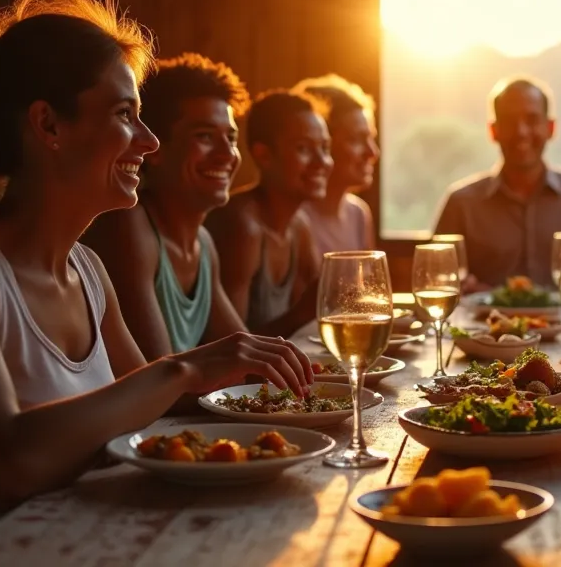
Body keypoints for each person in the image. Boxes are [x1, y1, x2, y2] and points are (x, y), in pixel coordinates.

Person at [0, 0, 311, 563]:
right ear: (48, 126)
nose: (148, 143)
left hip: (66, 545)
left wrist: (297, 418)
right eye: (126, 115)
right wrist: (185, 368)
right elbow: (5, 466)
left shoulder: (87, 272)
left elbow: (158, 417)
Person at [82, 53, 250, 359]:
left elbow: (245, 353)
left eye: (232, 137)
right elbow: (156, 375)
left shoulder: (203, 244)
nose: (227, 154)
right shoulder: (130, 226)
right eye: (205, 136)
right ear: (155, 148)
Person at [432, 76, 561, 289]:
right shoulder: (460, 203)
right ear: (493, 131)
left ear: (551, 128)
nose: (521, 132)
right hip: (481, 322)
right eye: (508, 121)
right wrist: (457, 286)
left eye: (532, 120)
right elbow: (435, 282)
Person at [206, 90, 331, 337]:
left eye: (325, 148)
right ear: (264, 155)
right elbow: (228, 346)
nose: (321, 162)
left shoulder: (298, 226)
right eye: (304, 148)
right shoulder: (242, 226)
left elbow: (318, 312)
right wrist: (307, 311)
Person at [293, 74, 379, 259]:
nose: (373, 153)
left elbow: (367, 286)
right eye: (356, 139)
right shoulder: (292, 218)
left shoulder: (358, 215)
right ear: (321, 143)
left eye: (371, 138)